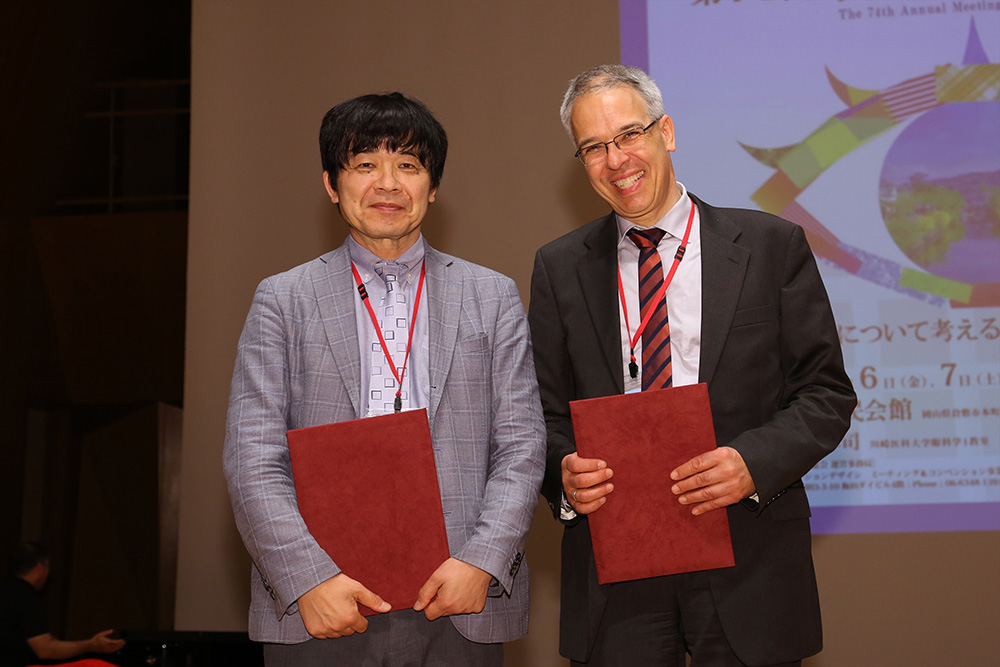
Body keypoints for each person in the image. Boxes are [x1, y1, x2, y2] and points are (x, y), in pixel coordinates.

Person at [528, 65, 857, 667]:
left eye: (629, 134)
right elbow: (540, 414)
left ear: (667, 132)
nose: (616, 160)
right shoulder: (559, 268)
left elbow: (825, 393)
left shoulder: (770, 245)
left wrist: (753, 463)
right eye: (594, 147)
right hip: (616, 564)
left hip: (747, 554)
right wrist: (563, 476)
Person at [223, 92, 546, 666]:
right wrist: (308, 579)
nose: (388, 184)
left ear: (433, 185)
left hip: (457, 600)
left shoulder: (491, 296)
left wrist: (482, 561)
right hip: (323, 607)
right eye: (365, 164)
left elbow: (521, 445)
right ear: (332, 184)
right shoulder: (283, 299)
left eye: (409, 165)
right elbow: (253, 457)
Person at [0, 542, 124, 667]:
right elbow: (44, 648)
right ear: (40, 568)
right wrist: (91, 645)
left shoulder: (8, 591)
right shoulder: (24, 596)